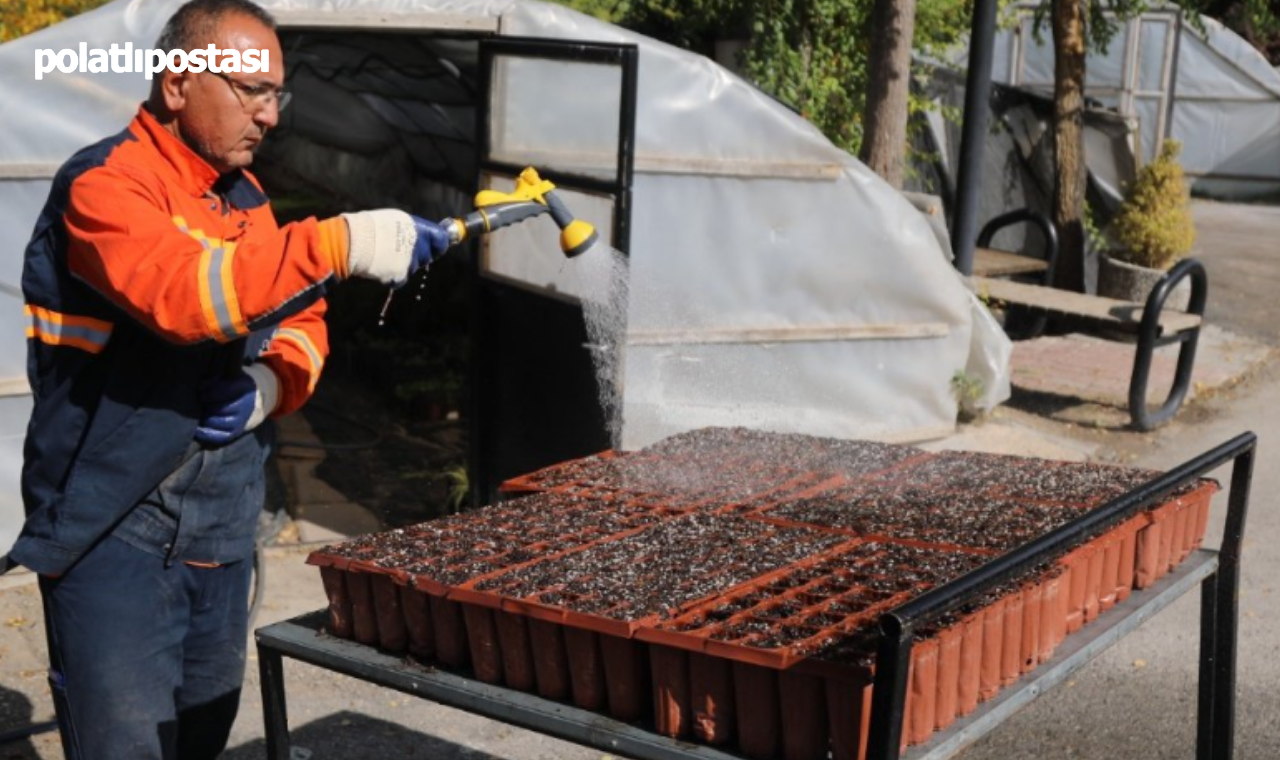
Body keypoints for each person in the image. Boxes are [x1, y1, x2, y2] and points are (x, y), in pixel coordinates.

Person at [6, 0, 450, 757]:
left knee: (202, 731)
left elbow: (302, 323)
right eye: (252, 90)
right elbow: (186, 295)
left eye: (277, 94)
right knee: (124, 744)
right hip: (112, 524)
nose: (270, 115)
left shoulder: (246, 199)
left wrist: (269, 391)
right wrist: (339, 241)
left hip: (222, 520)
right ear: (178, 83)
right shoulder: (105, 186)